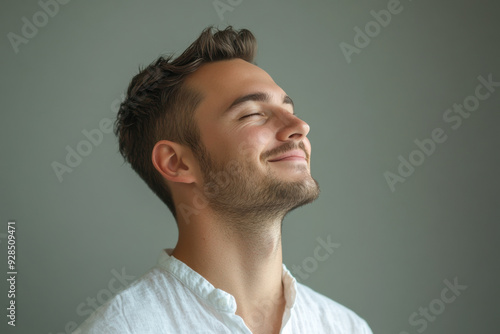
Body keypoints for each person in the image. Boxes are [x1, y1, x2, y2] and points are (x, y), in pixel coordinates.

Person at [74, 26, 373, 334]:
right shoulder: (121, 329)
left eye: (289, 109)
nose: (300, 126)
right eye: (253, 114)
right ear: (177, 163)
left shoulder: (346, 327)